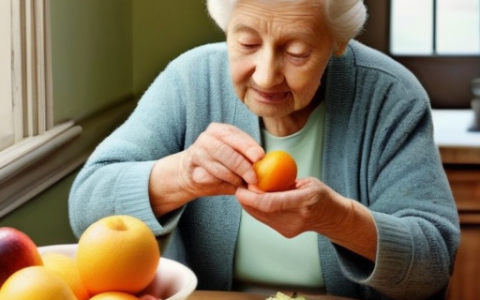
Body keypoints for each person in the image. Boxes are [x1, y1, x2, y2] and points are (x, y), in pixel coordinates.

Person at [68, 0, 460, 299]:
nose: (266, 75)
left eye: (297, 53)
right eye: (247, 43)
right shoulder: (191, 81)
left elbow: (433, 264)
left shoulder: (391, 97)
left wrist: (337, 220)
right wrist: (182, 175)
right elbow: (87, 208)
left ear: (338, 42)